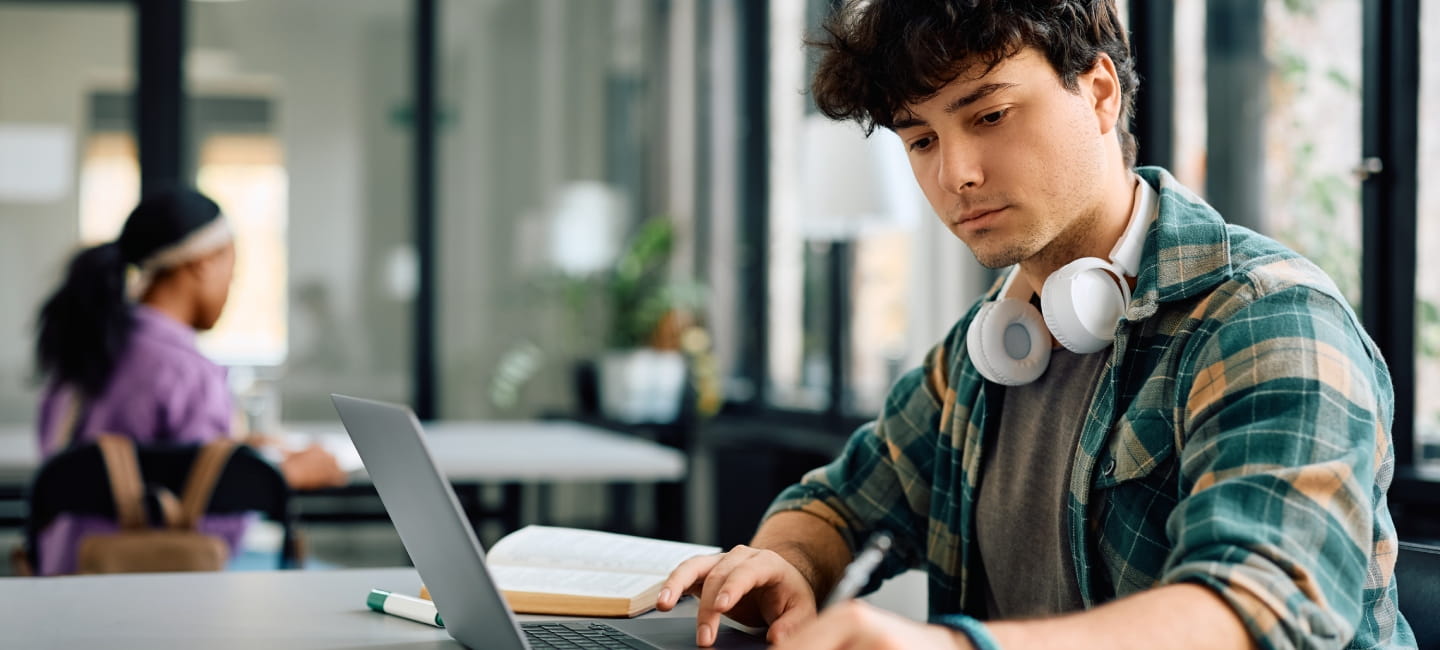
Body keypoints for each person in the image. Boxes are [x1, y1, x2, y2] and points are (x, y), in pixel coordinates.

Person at [657, 1, 1413, 648]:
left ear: (1100, 94)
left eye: (989, 115)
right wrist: (788, 564)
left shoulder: (1268, 322)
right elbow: (837, 503)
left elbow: (1259, 614)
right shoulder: (984, 350)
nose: (956, 174)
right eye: (921, 139)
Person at [32, 186, 346, 576]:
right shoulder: (189, 372)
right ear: (203, 264)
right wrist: (280, 477)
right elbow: (214, 533)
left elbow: (83, 468)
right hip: (147, 590)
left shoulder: (83, 351)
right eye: (232, 268)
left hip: (61, 576)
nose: (232, 286)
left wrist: (235, 455)